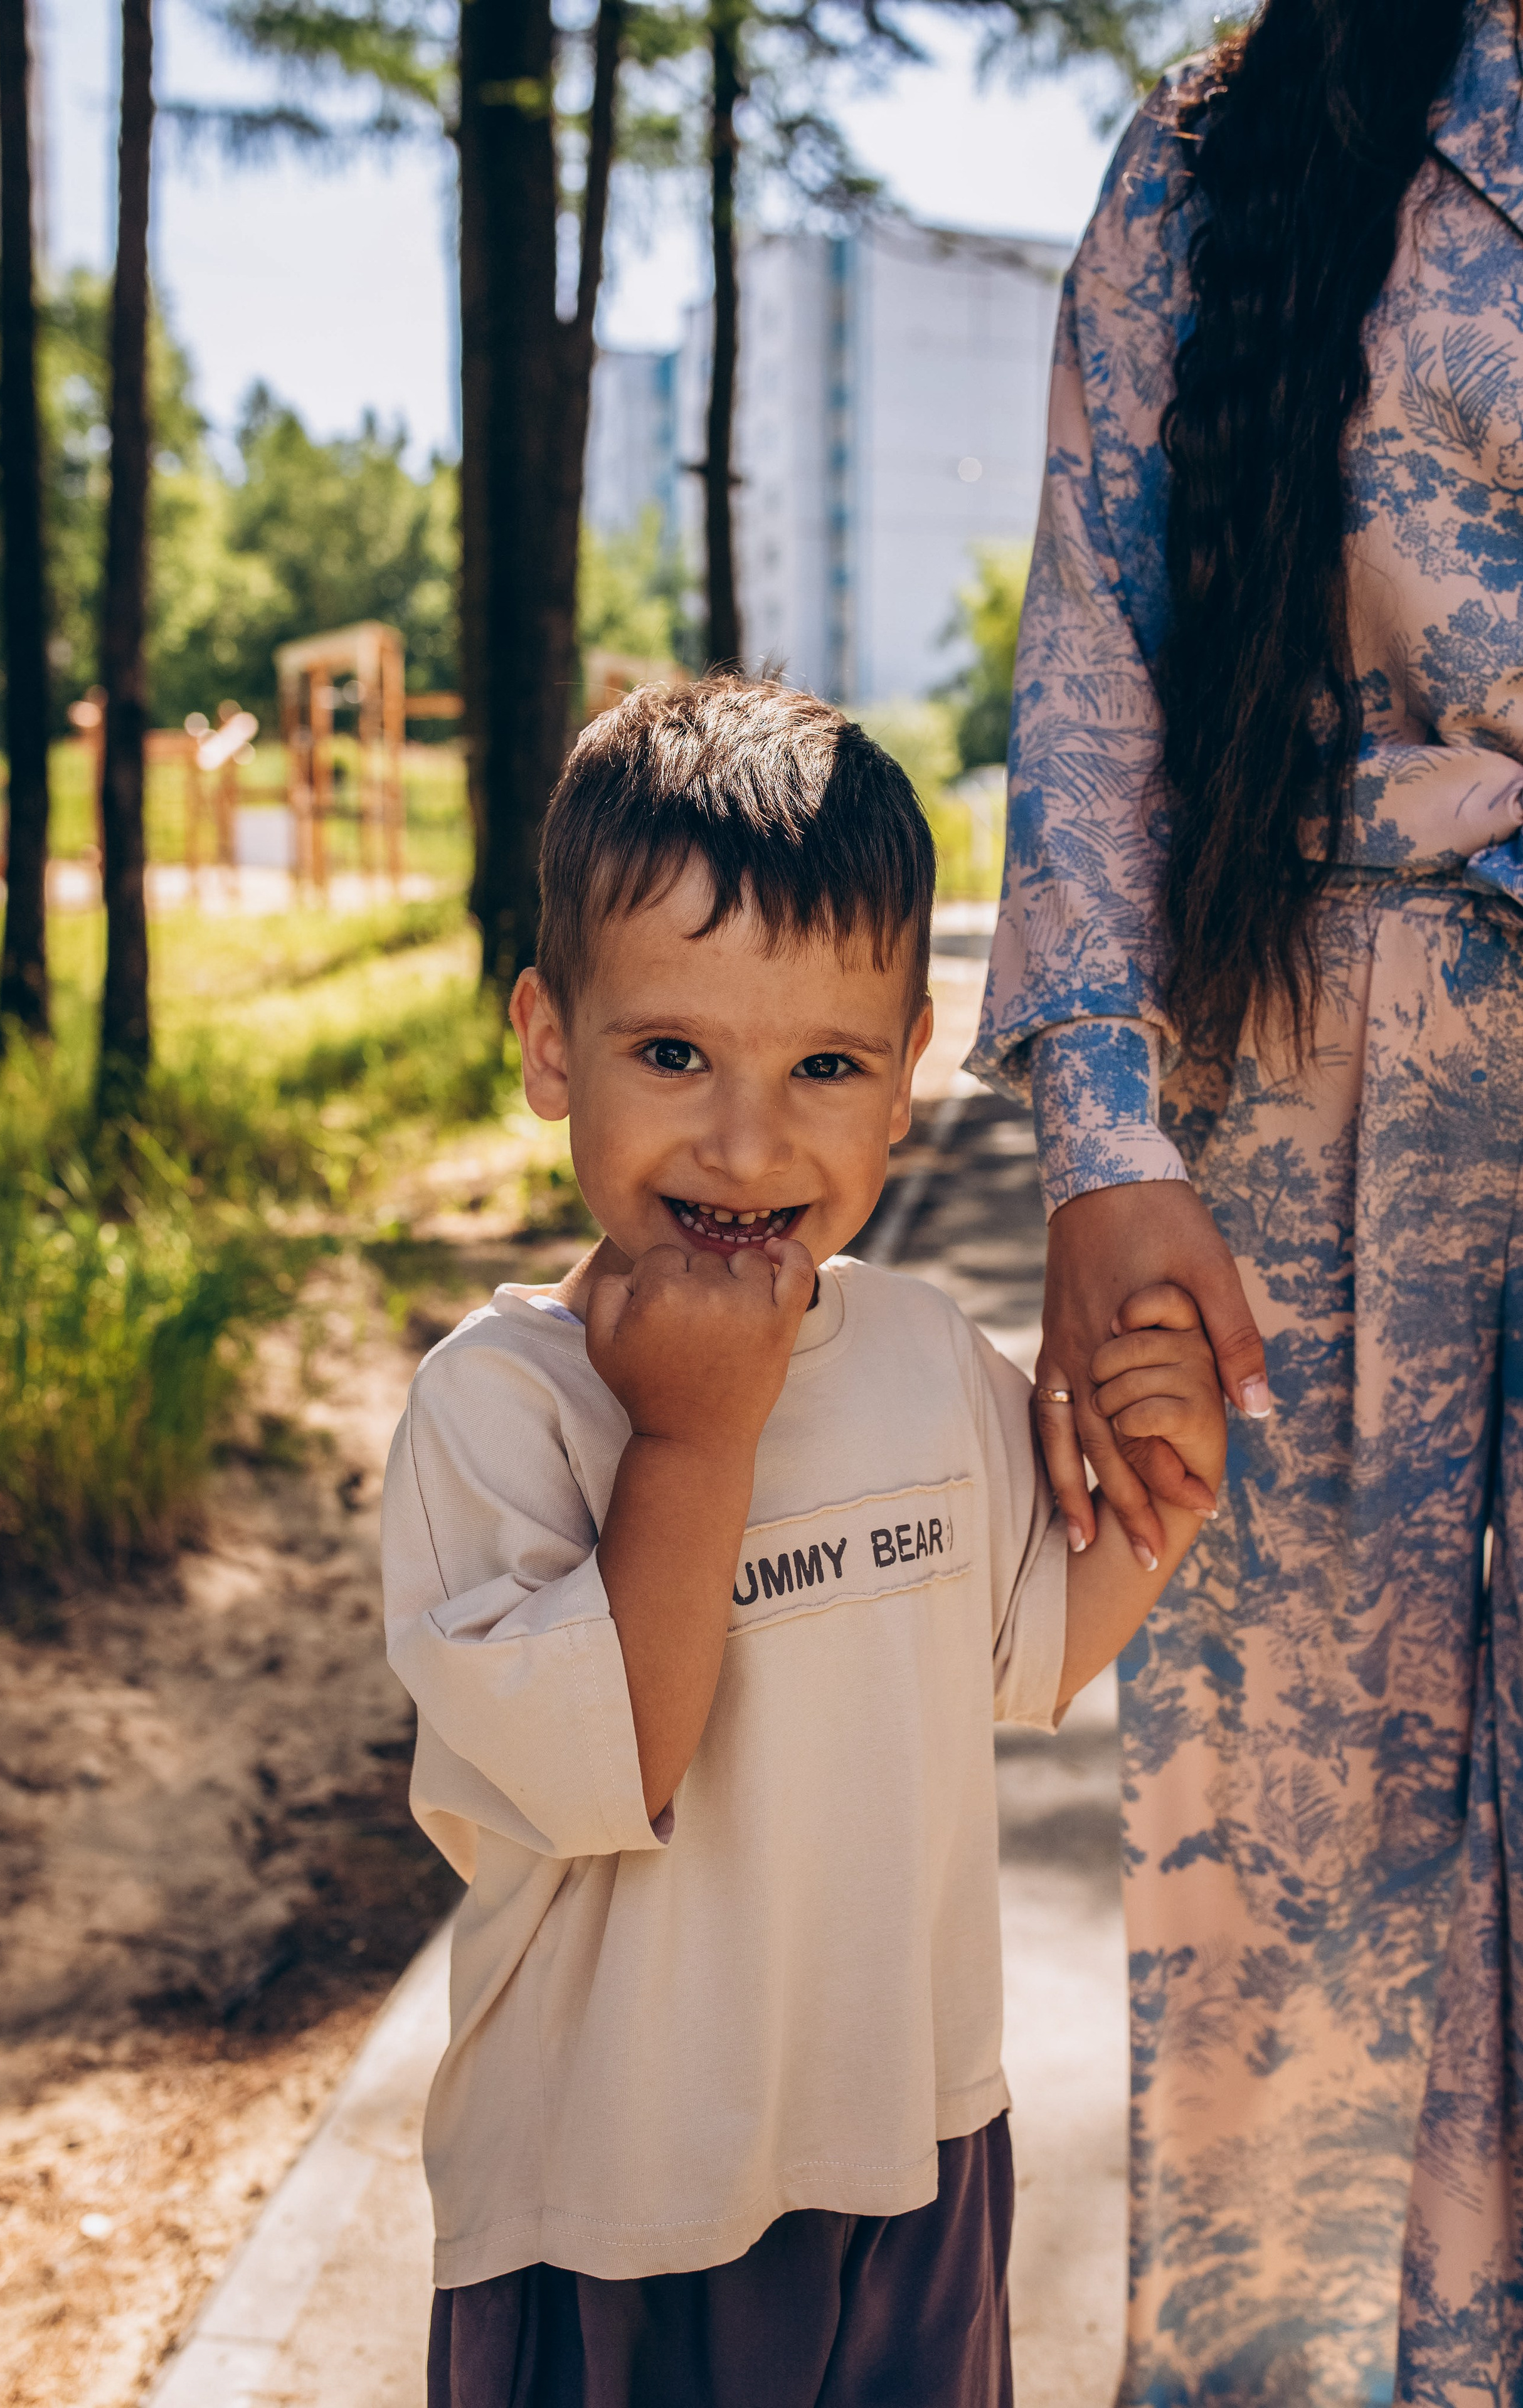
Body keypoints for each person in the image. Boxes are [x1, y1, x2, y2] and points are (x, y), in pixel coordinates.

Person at [383, 676, 1227, 2408]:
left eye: (825, 1065)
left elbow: (1028, 1645)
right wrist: (693, 1430)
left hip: (907, 2152)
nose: (751, 1143)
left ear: (905, 1080)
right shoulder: (500, 1412)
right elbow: (615, 1758)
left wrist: (1164, 1492)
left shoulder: (924, 1356)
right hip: (607, 2204)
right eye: (674, 1052)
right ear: (551, 1044)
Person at [973, 0, 1523, 2397]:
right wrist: (1103, 1136)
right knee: (1278, 1988)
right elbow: (1098, 669)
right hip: (1308, 1129)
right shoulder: (1224, 143)